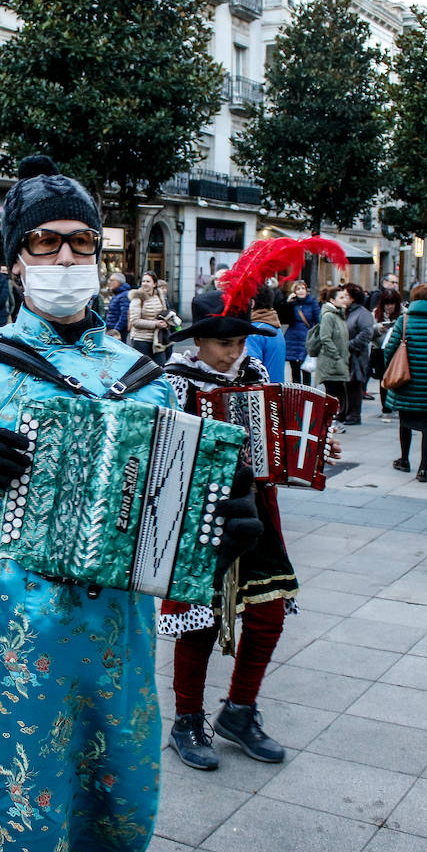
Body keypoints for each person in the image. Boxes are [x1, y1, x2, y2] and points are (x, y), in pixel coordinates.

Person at [0, 155, 261, 852]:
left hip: (118, 644)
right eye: (47, 242)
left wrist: (220, 526)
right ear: (16, 260)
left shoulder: (145, 376)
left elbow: (173, 512)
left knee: (120, 808)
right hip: (12, 637)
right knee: (22, 817)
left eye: (82, 241)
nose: (67, 256)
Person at [160, 291, 305, 771]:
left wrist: (310, 450)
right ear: (198, 340)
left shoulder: (256, 376)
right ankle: (186, 720)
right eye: (225, 343)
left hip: (258, 509)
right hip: (200, 516)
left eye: (241, 341)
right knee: (199, 622)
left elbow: (277, 438)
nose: (235, 352)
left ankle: (240, 711)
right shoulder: (173, 383)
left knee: (268, 617)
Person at [383, 285, 427, 482]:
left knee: (405, 422)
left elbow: (390, 349)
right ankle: (423, 468)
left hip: (407, 383)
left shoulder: (405, 321)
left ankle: (404, 459)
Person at [314, 286, 351, 418]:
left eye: (345, 297)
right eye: (341, 297)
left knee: (338, 395)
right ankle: (329, 423)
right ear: (332, 300)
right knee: (332, 395)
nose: (345, 300)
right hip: (331, 363)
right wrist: (337, 356)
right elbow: (325, 338)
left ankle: (333, 422)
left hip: (339, 361)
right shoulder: (329, 316)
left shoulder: (339, 315)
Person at [127, 271, 176, 367]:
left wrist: (167, 321)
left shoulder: (159, 296)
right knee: (144, 370)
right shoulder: (137, 297)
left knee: (160, 367)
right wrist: (155, 324)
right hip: (141, 340)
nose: (145, 283)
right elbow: (135, 321)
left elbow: (164, 312)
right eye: (143, 281)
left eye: (148, 281)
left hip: (157, 340)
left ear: (154, 284)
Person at [342, 283, 374, 424]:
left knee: (354, 384)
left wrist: (350, 345)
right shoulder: (345, 311)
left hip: (356, 355)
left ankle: (354, 414)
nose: (342, 298)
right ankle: (344, 412)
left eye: (346, 296)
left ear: (353, 298)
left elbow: (367, 333)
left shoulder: (362, 313)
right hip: (345, 355)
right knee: (344, 385)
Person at [371, 290, 403, 418]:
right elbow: (369, 332)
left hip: (397, 351)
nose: (389, 307)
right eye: (386, 304)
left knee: (397, 377)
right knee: (383, 378)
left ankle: (396, 403)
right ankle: (386, 406)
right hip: (380, 350)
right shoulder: (375, 313)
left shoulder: (403, 314)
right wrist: (378, 329)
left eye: (391, 304)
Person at [283, 280, 319, 385]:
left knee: (306, 369)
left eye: (303, 288)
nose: (301, 291)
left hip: (307, 338)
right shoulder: (292, 304)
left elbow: (318, 321)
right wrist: (288, 303)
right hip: (292, 338)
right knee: (295, 371)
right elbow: (285, 319)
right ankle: (296, 395)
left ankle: (307, 394)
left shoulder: (312, 302)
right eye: (298, 289)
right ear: (294, 291)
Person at [103, 271, 131, 341]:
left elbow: (124, 315)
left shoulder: (124, 295)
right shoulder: (117, 294)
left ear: (119, 282)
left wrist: (116, 329)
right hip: (112, 330)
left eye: (112, 280)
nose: (109, 282)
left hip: (118, 332)